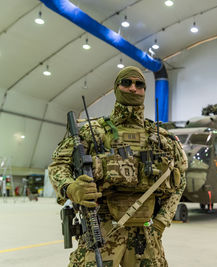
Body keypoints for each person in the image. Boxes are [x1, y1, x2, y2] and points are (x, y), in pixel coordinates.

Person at [48, 66, 187, 267]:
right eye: (126, 83)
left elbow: (179, 179)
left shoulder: (161, 137)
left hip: (146, 231)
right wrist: (71, 188)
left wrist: (161, 221)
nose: (133, 88)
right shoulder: (91, 131)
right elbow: (59, 164)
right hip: (101, 227)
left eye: (139, 84)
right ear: (116, 88)